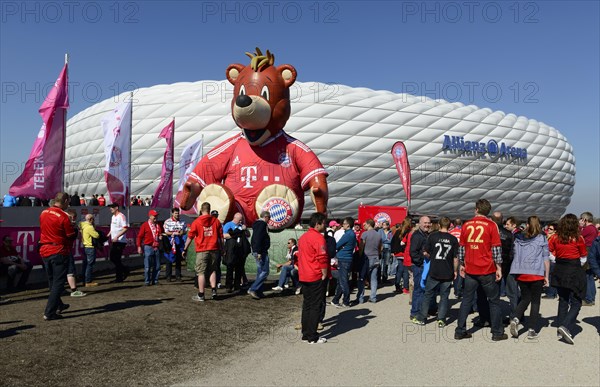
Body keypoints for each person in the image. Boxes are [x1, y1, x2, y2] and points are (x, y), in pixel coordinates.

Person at [454, 199, 507, 341]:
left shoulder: (466, 224)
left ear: (476, 209)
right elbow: (496, 248)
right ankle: (497, 332)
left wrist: (462, 264)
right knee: (494, 301)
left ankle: (460, 330)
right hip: (486, 268)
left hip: (471, 268)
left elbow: (461, 247)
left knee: (466, 300)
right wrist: (499, 267)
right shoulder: (491, 225)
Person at [509, 216, 550, 340]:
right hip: (536, 272)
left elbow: (515, 254)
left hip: (522, 272)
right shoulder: (542, 238)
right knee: (536, 301)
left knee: (525, 298)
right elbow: (546, 259)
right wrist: (546, 276)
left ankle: (516, 317)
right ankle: (532, 329)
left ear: (527, 225)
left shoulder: (519, 239)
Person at [412, 217, 458, 327]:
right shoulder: (453, 239)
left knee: (428, 294)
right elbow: (455, 258)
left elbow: (425, 252)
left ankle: (422, 317)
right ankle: (441, 319)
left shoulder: (433, 236)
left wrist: (431, 256)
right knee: (444, 296)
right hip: (447, 271)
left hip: (434, 270)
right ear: (450, 225)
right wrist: (455, 271)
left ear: (438, 224)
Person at [549, 213, 588, 344]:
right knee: (576, 301)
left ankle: (560, 324)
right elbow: (583, 257)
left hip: (560, 269)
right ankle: (565, 325)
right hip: (574, 269)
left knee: (563, 299)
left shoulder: (555, 237)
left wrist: (557, 259)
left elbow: (549, 252)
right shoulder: (579, 238)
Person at [39, 192, 77, 320]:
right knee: (58, 283)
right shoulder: (63, 216)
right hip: (58, 250)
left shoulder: (44, 213)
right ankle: (49, 312)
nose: (69, 204)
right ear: (65, 201)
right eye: (68, 202)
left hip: (45, 250)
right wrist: (75, 228)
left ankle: (59, 305)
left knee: (52, 281)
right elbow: (71, 235)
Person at [297, 212, 329, 344]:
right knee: (316, 305)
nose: (325, 225)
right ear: (318, 224)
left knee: (307, 304)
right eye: (324, 223)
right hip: (315, 274)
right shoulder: (318, 238)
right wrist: (325, 273)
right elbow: (322, 257)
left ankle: (306, 334)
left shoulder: (303, 237)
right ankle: (312, 336)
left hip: (304, 274)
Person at [184, 202, 223, 301]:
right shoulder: (216, 221)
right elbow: (221, 237)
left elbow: (190, 237)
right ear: (209, 210)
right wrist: (222, 248)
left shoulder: (196, 222)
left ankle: (201, 294)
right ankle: (214, 291)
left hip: (202, 250)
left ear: (201, 210)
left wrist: (185, 248)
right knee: (212, 270)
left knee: (201, 272)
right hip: (214, 249)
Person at [331, 217, 357, 308]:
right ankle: (336, 299)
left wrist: (336, 249)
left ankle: (346, 300)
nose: (343, 225)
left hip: (343, 259)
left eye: (344, 223)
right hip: (347, 258)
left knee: (343, 281)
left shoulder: (348, 234)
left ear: (348, 225)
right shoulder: (351, 234)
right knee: (342, 280)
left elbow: (338, 244)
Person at [409, 216, 431, 318]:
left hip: (424, 266)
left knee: (423, 289)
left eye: (428, 223)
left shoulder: (426, 235)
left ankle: (422, 310)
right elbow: (413, 252)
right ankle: (415, 312)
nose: (427, 225)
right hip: (419, 266)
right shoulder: (417, 236)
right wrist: (421, 262)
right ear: (420, 223)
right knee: (418, 289)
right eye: (425, 223)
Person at [222, 212, 250, 293]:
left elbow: (248, 235)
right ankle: (228, 286)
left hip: (240, 250)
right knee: (230, 267)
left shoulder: (242, 226)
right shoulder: (228, 224)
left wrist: (244, 229)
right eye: (239, 220)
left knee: (239, 268)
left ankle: (237, 285)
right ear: (235, 218)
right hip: (231, 249)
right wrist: (235, 234)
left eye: (241, 220)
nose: (240, 221)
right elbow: (224, 235)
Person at [248, 211, 271, 299]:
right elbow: (258, 238)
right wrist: (259, 252)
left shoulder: (257, 225)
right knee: (265, 271)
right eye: (269, 217)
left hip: (258, 250)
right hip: (261, 251)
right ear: (266, 217)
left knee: (260, 272)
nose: (269, 220)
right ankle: (253, 289)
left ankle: (258, 291)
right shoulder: (262, 225)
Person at [358, 218, 381, 303]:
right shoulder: (378, 234)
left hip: (367, 257)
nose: (364, 226)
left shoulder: (365, 234)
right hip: (375, 257)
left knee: (362, 278)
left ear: (368, 224)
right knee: (373, 278)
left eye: (365, 224)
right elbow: (380, 247)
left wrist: (360, 255)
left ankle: (360, 298)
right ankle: (373, 297)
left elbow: (361, 246)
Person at [137, 210, 163, 286]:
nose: (156, 217)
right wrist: (139, 246)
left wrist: (160, 236)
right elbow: (140, 237)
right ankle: (147, 281)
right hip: (148, 247)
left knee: (157, 266)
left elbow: (159, 234)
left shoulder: (158, 225)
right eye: (154, 216)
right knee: (147, 266)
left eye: (156, 216)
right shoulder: (145, 225)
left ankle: (155, 280)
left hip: (156, 246)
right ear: (150, 216)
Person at [107, 203, 130, 283]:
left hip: (120, 241)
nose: (110, 209)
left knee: (115, 258)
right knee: (114, 258)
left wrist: (117, 236)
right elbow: (113, 228)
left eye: (112, 207)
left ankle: (120, 275)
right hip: (115, 240)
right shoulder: (113, 217)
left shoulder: (121, 216)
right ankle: (122, 271)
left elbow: (125, 228)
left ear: (116, 208)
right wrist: (109, 235)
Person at [65, 209, 86, 297]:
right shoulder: (69, 226)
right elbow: (75, 236)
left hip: (60, 249)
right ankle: (74, 289)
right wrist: (76, 229)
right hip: (65, 249)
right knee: (70, 270)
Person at [163, 207, 187, 282]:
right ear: (172, 213)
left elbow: (185, 231)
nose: (177, 215)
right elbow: (166, 232)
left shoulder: (182, 222)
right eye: (176, 213)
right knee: (169, 259)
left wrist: (182, 232)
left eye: (178, 213)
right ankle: (168, 276)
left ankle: (178, 276)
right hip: (171, 242)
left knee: (178, 259)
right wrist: (174, 233)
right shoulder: (167, 221)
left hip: (179, 242)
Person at [579, 212, 598, 306]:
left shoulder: (587, 229)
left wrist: (580, 227)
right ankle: (591, 297)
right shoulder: (593, 228)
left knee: (586, 276)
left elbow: (578, 236)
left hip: (587, 252)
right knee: (590, 276)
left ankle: (588, 298)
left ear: (584, 220)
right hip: (591, 253)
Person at [391, 217, 411, 294]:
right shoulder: (408, 232)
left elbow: (393, 242)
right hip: (405, 253)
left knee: (399, 270)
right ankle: (406, 288)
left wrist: (393, 251)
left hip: (398, 253)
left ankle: (397, 286)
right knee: (405, 271)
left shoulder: (397, 231)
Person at [79, 214, 100, 287]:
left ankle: (84, 280)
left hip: (85, 246)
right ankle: (88, 281)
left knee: (85, 264)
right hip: (90, 247)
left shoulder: (83, 225)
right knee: (90, 264)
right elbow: (96, 235)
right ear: (91, 219)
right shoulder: (89, 227)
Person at [543, 222, 559, 299]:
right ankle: (553, 292)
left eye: (551, 229)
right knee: (552, 276)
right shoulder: (551, 236)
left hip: (552, 257)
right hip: (552, 257)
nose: (548, 230)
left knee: (550, 275)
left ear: (555, 230)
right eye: (548, 228)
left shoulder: (553, 237)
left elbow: (549, 248)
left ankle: (550, 293)